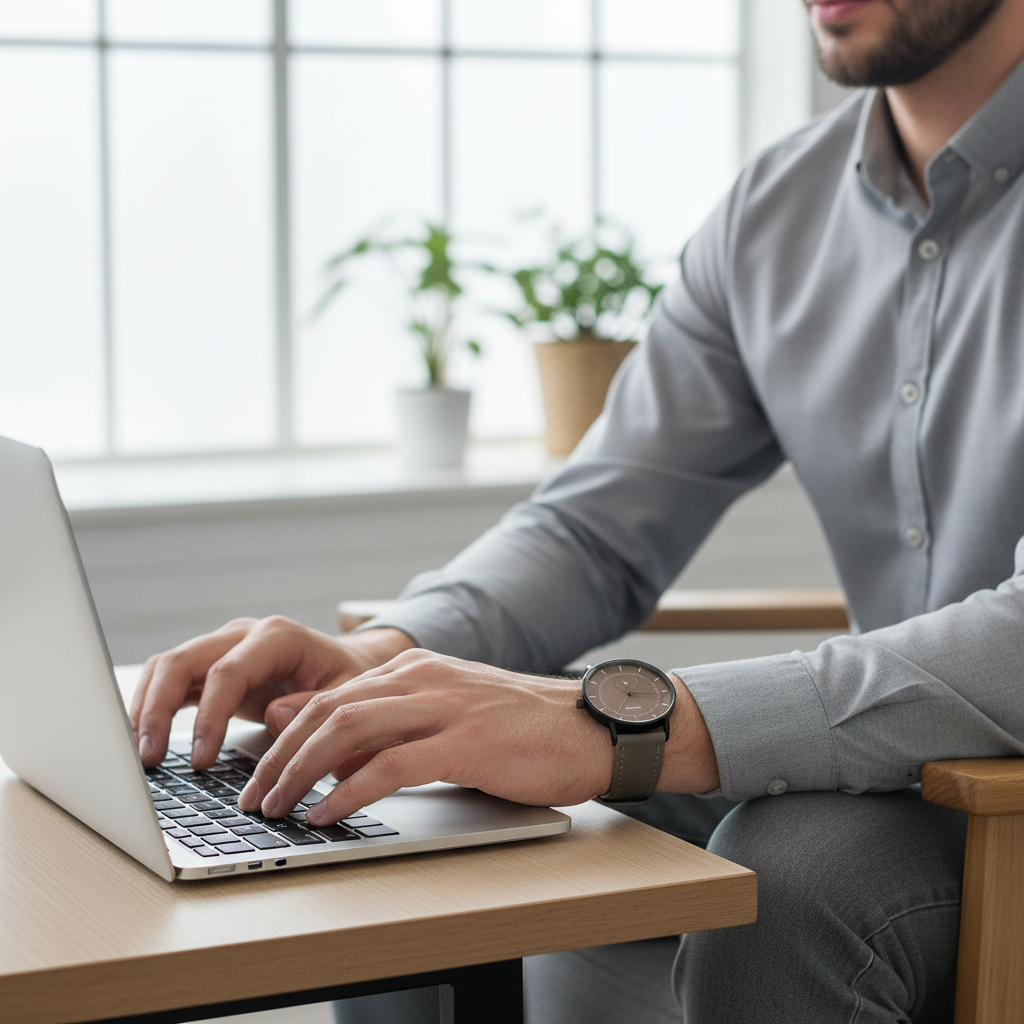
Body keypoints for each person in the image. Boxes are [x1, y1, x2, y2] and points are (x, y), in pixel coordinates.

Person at [130, 0, 1024, 1020]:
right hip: (891, 759)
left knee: (795, 872)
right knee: (405, 762)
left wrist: (624, 725)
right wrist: (386, 654)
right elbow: (596, 526)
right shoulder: (775, 211)